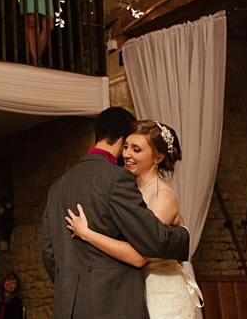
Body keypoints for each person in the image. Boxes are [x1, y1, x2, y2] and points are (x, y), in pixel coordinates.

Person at [40, 107, 190, 319]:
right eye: (127, 146)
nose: (127, 154)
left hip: (70, 305)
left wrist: (74, 283)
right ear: (121, 139)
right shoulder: (118, 179)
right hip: (114, 303)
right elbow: (150, 239)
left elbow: (48, 251)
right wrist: (182, 234)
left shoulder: (57, 186)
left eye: (136, 149)